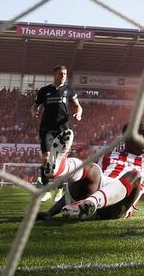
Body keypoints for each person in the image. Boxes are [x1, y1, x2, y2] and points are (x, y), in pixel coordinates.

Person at [31, 65, 82, 200]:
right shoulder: (45, 90)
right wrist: (34, 111)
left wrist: (79, 112)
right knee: (46, 158)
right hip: (46, 128)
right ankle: (46, 189)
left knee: (61, 161)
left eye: (65, 74)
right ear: (55, 75)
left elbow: (78, 106)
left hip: (63, 129)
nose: (63, 76)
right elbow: (35, 105)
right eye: (60, 74)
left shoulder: (69, 89)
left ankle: (59, 189)